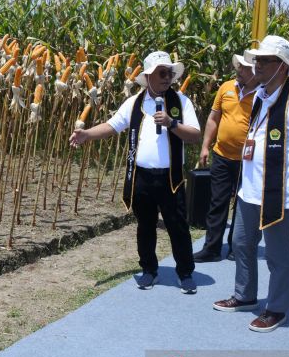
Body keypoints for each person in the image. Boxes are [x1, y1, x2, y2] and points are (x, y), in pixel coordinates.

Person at [213, 35, 289, 333]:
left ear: (281, 66)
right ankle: (245, 295)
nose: (256, 64)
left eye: (263, 60)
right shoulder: (261, 95)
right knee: (240, 243)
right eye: (257, 59)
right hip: (250, 189)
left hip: (278, 193)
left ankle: (277, 308)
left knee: (277, 255)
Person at [69, 51, 201, 293]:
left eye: (170, 73)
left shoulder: (181, 102)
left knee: (177, 226)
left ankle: (185, 272)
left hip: (171, 178)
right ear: (148, 76)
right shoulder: (134, 104)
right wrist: (86, 135)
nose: (167, 78)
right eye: (162, 73)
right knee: (145, 226)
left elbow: (194, 135)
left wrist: (172, 124)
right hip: (142, 177)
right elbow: (112, 126)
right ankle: (149, 270)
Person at [194, 54, 259, 263]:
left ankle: (235, 247)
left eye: (243, 68)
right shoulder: (226, 88)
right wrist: (205, 147)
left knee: (243, 205)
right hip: (221, 155)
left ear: (254, 71)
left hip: (248, 160)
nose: (238, 70)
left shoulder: (262, 94)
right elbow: (214, 118)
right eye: (239, 66)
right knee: (217, 203)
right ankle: (211, 248)